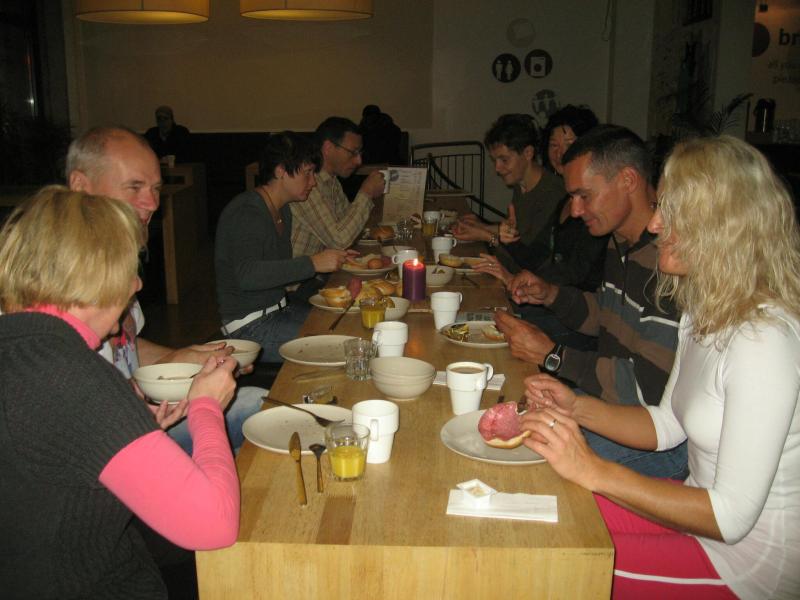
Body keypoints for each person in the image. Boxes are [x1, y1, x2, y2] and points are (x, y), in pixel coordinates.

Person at [520, 136, 800, 598]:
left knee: (544, 562)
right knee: (542, 512)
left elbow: (730, 516)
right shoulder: (703, 309)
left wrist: (591, 469)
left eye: (671, 208)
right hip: (703, 529)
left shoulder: (764, 340)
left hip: (748, 567)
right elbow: (666, 424)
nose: (654, 222)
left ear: (724, 224)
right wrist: (574, 407)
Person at [0, 187, 240, 598]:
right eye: (129, 268)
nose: (137, 282)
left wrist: (131, 428)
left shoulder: (22, 350)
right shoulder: (74, 376)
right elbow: (214, 525)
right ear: (97, 276)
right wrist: (206, 406)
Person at [495, 125, 686, 479]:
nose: (576, 210)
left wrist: (553, 355)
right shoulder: (619, 242)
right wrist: (550, 294)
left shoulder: (672, 262)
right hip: (610, 404)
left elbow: (646, 391)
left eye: (584, 195)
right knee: (507, 412)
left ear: (628, 180)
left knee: (529, 456)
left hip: (658, 437)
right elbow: (605, 315)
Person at [66, 126, 262, 455]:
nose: (153, 203)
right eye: (134, 187)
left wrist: (190, 360)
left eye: (156, 188)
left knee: (259, 405)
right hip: (108, 446)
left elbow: (126, 344)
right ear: (80, 186)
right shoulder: (58, 274)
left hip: (143, 418)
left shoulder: (118, 257)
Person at [473, 107, 606, 350]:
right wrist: (509, 262)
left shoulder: (594, 209)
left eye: (570, 143)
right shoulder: (566, 201)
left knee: (488, 326)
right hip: (553, 306)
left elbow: (575, 275)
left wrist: (516, 277)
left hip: (579, 323)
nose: (560, 152)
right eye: (553, 145)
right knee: (480, 315)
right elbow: (539, 254)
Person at [216, 131, 353, 363]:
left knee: (348, 324)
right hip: (249, 328)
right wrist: (313, 263)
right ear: (280, 171)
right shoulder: (247, 212)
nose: (313, 182)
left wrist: (325, 261)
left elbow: (279, 272)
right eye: (308, 172)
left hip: (279, 311)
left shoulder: (283, 210)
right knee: (343, 345)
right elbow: (247, 276)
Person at [452, 114, 565, 275]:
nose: (497, 168)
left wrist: (486, 236)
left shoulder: (553, 193)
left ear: (528, 153)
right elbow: (516, 234)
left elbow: (529, 258)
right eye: (495, 160)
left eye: (504, 160)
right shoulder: (521, 184)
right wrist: (481, 225)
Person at [290, 117, 385, 259]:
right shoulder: (308, 185)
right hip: (300, 271)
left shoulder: (331, 181)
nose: (359, 161)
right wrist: (366, 193)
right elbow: (339, 242)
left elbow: (349, 226)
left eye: (360, 153)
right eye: (353, 152)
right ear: (328, 148)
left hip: (320, 267)